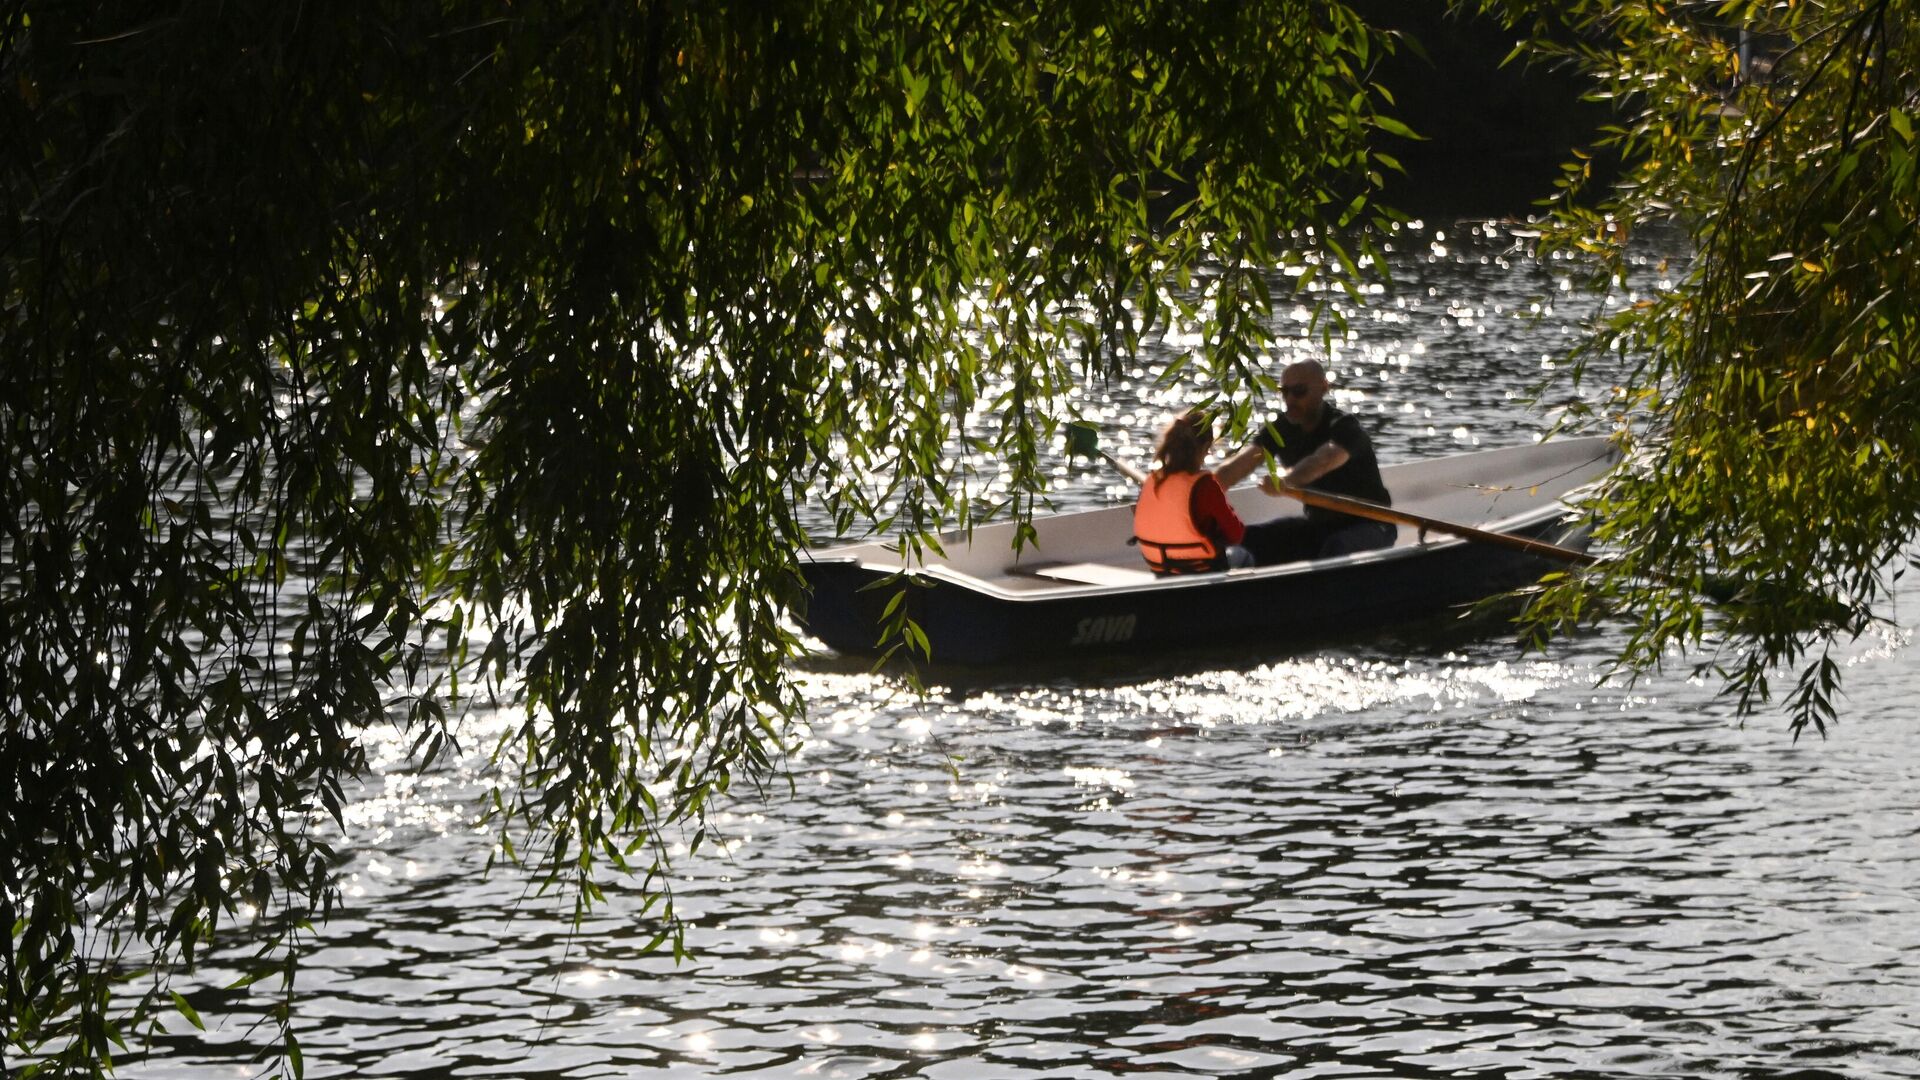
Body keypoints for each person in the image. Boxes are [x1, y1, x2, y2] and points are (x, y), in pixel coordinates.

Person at [1214, 360, 1397, 565]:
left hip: (1372, 524)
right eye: (1284, 392)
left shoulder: (1345, 426)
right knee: (1246, 538)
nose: (1290, 399)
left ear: (1323, 388)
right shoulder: (1281, 428)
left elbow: (1323, 460)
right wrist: (1201, 489)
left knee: (1335, 549)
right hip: (1319, 527)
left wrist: (1287, 480)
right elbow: (1240, 465)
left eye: (1299, 391)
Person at [1132, 408, 1254, 574]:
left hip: (1159, 567)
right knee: (1244, 555)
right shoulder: (1205, 485)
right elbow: (1236, 535)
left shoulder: (1152, 480)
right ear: (1203, 447)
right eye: (1208, 448)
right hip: (1200, 568)